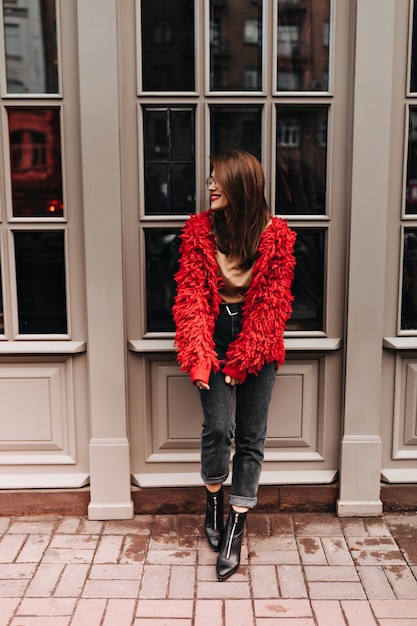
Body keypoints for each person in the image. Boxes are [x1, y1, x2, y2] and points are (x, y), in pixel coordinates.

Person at [172, 150, 296, 581]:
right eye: (209, 179)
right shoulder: (199, 231)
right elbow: (189, 295)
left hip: (257, 337)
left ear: (240, 186)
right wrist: (200, 355)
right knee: (218, 426)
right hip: (212, 328)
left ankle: (236, 526)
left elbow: (272, 306)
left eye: (218, 180)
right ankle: (212, 499)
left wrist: (244, 359)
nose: (210, 186)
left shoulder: (276, 236)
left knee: (250, 435)